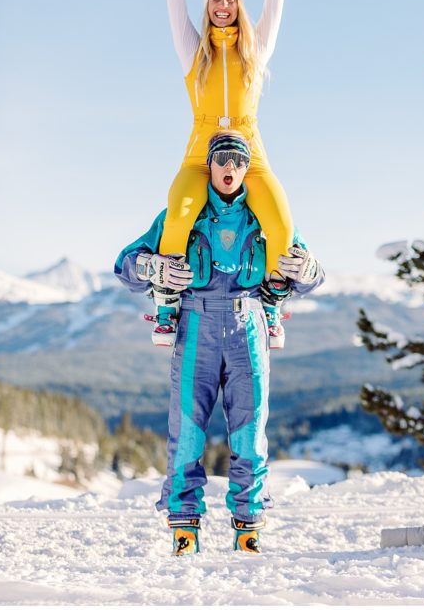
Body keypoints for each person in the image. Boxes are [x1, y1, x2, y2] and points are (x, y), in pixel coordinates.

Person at [114, 132, 324, 555]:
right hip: (196, 325)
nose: (230, 167)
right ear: (208, 165)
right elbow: (124, 265)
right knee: (187, 432)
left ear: (248, 168)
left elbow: (313, 277)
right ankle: (184, 526)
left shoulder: (265, 218)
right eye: (222, 159)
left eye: (238, 160)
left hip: (250, 327)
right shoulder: (181, 215)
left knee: (250, 433)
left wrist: (307, 268)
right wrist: (153, 266)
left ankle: (248, 525)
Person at [138, 0, 305, 348]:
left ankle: (270, 304)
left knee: (281, 223)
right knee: (180, 212)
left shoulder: (255, 52)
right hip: (199, 155)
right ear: (208, 4)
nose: (224, 5)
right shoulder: (194, 53)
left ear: (239, 5)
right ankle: (167, 305)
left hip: (251, 153)